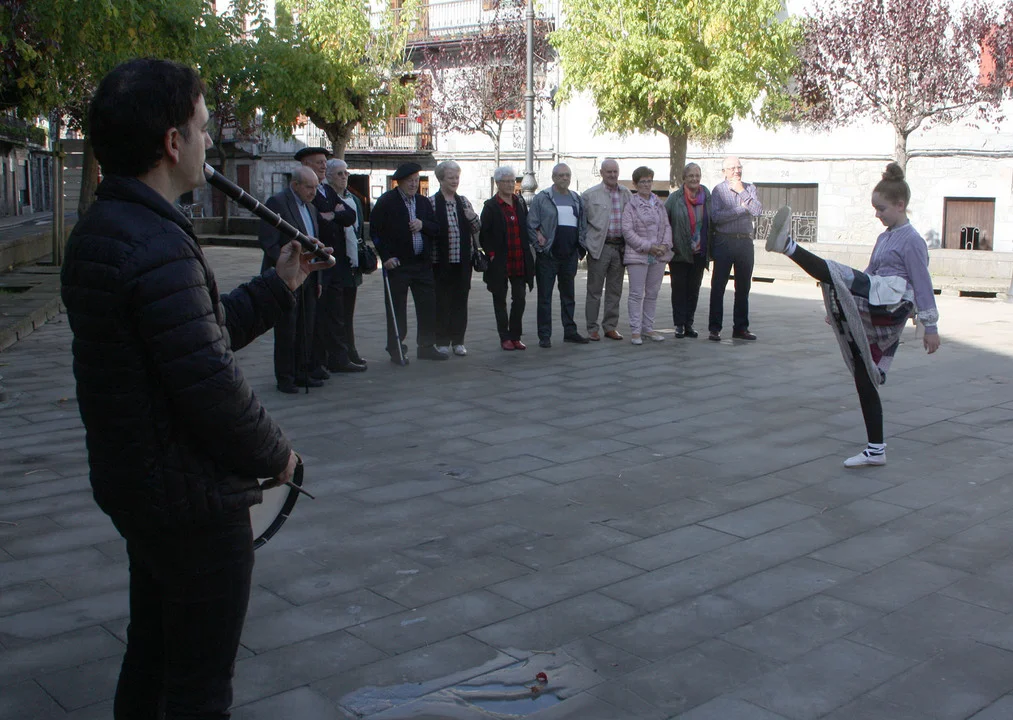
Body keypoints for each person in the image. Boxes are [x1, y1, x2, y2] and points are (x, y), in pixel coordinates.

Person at [60, 58, 330, 720]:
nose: (209, 141)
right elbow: (209, 383)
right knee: (198, 687)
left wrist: (279, 285)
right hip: (189, 501)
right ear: (172, 143)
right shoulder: (156, 242)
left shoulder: (105, 227)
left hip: (140, 484)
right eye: (203, 128)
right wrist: (277, 456)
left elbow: (195, 336)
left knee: (152, 653)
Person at [765, 162, 940, 467]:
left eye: (881, 209)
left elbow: (922, 283)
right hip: (877, 297)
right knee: (865, 374)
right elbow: (869, 273)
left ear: (900, 205)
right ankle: (876, 449)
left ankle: (789, 246)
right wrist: (842, 307)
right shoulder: (886, 237)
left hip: (891, 304)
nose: (877, 215)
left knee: (837, 273)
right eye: (875, 209)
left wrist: (931, 326)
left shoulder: (912, 241)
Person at [371, 162, 446, 364]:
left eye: (416, 180)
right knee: (397, 309)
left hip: (422, 264)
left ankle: (426, 346)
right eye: (409, 181)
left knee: (428, 306)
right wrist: (385, 257)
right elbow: (375, 232)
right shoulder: (387, 202)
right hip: (398, 264)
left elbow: (436, 228)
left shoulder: (423, 202)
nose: (413, 184)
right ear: (400, 182)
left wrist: (423, 224)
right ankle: (396, 348)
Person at [259, 165, 325, 392]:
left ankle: (302, 372)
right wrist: (286, 264)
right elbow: (268, 241)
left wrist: (318, 278)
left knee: (306, 328)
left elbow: (315, 244)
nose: (313, 192)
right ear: (295, 185)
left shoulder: (311, 207)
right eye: (309, 187)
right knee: (287, 328)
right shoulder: (277, 203)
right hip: (286, 276)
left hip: (308, 275)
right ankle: (285, 377)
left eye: (316, 187)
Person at [307, 154, 367, 374]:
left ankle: (342, 355)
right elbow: (320, 221)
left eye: (346, 173)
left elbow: (350, 216)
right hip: (322, 262)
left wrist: (332, 215)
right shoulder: (315, 192)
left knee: (340, 314)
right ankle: (325, 360)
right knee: (326, 315)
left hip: (343, 262)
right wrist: (335, 215)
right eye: (339, 173)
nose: (344, 177)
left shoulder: (331, 193)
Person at [528, 162, 589, 347]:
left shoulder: (576, 199)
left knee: (568, 296)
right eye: (561, 175)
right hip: (548, 256)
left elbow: (582, 224)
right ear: (553, 177)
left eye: (567, 175)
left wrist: (580, 247)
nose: (565, 178)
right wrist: (539, 246)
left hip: (569, 255)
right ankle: (544, 336)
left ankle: (570, 331)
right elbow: (531, 224)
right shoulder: (543, 198)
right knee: (545, 298)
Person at [480, 165, 536, 350]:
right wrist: (491, 255)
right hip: (500, 261)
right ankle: (504, 337)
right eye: (506, 181)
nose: (511, 185)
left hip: (519, 257)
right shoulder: (490, 206)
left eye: (513, 181)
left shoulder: (519, 202)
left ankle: (515, 336)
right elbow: (484, 234)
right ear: (497, 183)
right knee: (500, 300)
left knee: (519, 298)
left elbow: (526, 227)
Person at [430, 160, 481, 356]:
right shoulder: (432, 203)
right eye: (450, 178)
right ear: (441, 179)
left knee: (460, 301)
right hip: (439, 262)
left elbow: (477, 228)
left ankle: (458, 341)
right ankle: (442, 340)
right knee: (442, 302)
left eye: (457, 177)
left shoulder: (464, 201)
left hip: (463, 262)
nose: (454, 181)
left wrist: (472, 217)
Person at [709, 155, 762, 341]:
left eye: (739, 167)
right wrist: (741, 209)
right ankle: (714, 328)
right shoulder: (718, 190)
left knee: (743, 287)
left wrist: (742, 192)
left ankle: (741, 328)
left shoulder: (750, 188)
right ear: (724, 171)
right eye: (732, 168)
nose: (736, 171)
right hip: (724, 241)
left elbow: (757, 210)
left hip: (745, 242)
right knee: (718, 286)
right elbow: (716, 217)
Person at [622, 166, 673, 345]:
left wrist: (664, 246)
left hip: (658, 256)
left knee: (652, 293)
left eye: (649, 181)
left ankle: (648, 328)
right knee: (636, 294)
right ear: (635, 184)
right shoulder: (631, 205)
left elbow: (667, 226)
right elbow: (627, 231)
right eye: (642, 181)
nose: (646, 184)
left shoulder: (658, 203)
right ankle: (635, 331)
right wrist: (648, 247)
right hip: (638, 255)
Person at [582, 158, 631, 341]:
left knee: (615, 290)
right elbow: (582, 223)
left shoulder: (626, 193)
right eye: (608, 172)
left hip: (619, 248)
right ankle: (592, 328)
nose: (612, 175)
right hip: (599, 248)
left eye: (615, 171)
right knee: (594, 290)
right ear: (601, 173)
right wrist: (587, 244)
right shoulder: (590, 195)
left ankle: (610, 327)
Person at [665, 162, 711, 338]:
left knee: (694, 290)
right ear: (684, 178)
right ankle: (679, 325)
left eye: (697, 175)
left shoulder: (706, 195)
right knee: (679, 290)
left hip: (699, 252)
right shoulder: (675, 198)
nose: (694, 179)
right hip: (679, 252)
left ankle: (689, 324)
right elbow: (664, 220)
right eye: (691, 176)